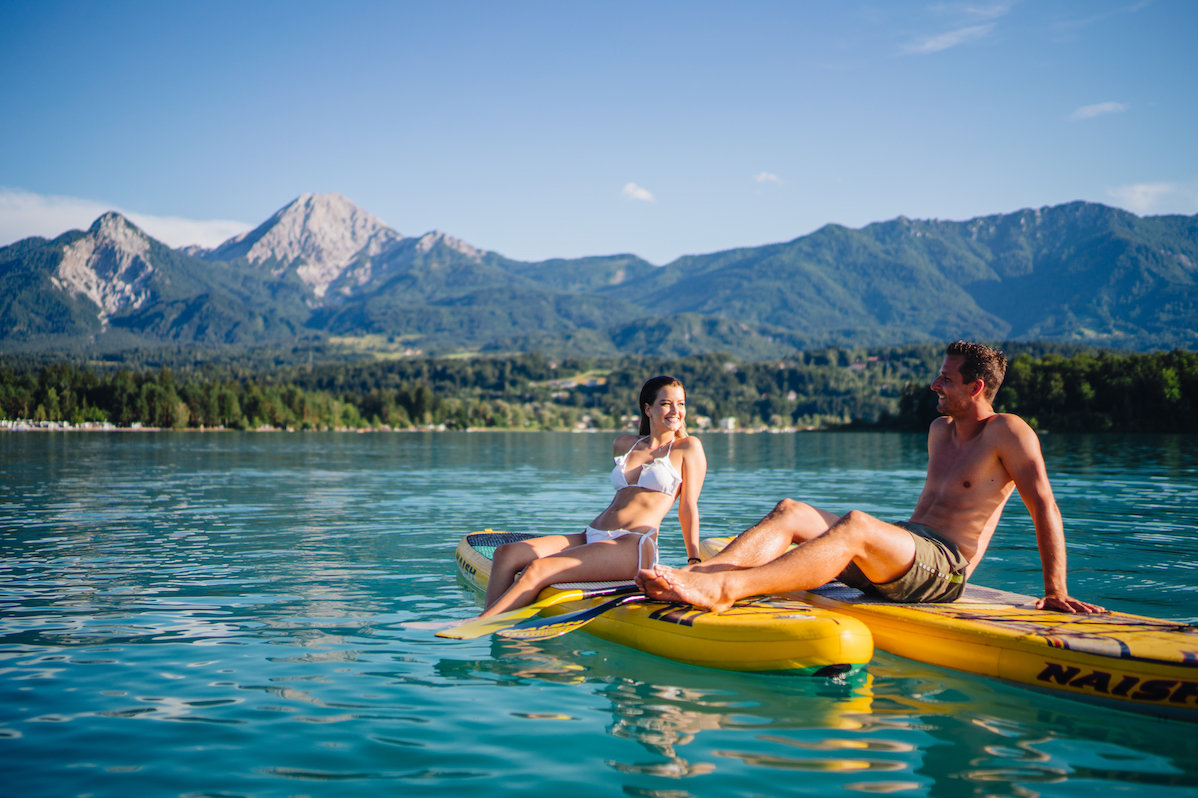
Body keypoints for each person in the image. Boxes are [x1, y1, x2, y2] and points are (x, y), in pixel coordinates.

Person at [637, 341, 1105, 615]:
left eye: (946, 379)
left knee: (857, 524)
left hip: (944, 569)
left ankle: (725, 591)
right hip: (904, 549)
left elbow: (1044, 506)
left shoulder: (1008, 431)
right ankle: (700, 575)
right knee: (792, 512)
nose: (935, 385)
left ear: (976, 387)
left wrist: (1054, 591)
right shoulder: (940, 430)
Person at [479, 375, 707, 618]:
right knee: (506, 554)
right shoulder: (624, 444)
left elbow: (688, 507)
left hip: (631, 546)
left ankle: (481, 623)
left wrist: (694, 559)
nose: (676, 410)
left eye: (681, 404)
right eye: (666, 403)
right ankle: (492, 623)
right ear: (648, 409)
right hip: (592, 535)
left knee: (538, 569)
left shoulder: (687, 447)